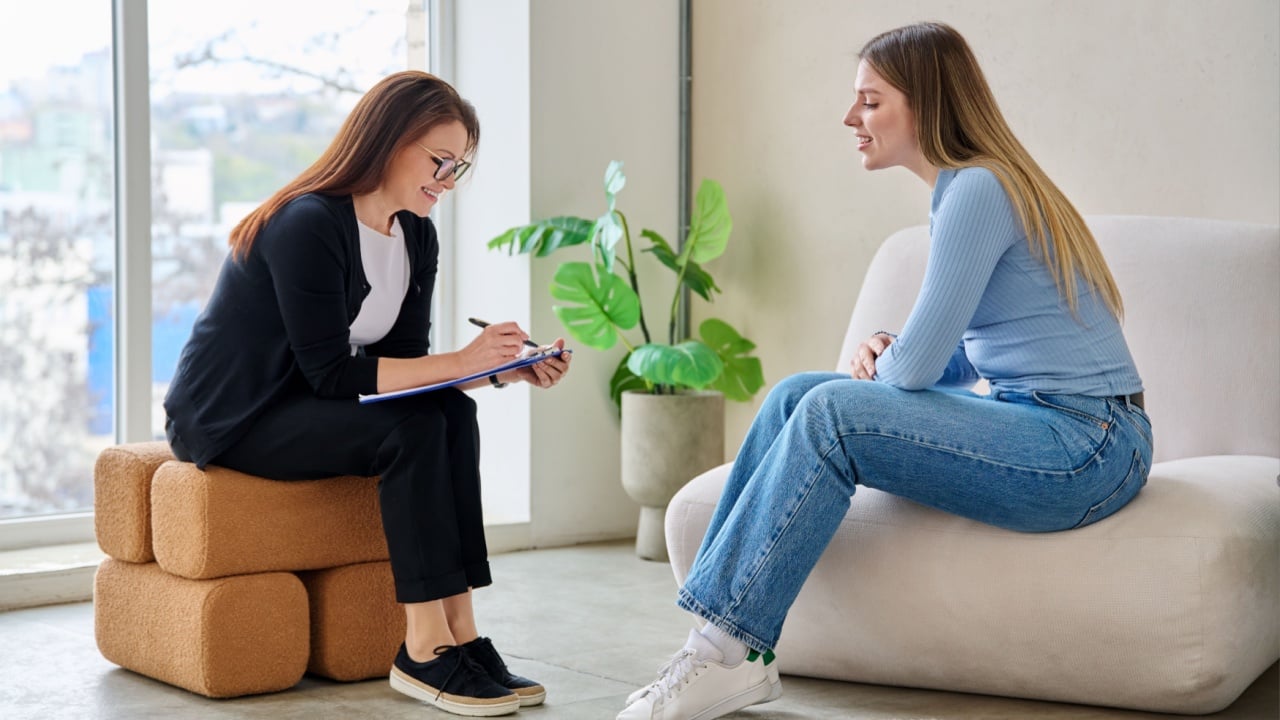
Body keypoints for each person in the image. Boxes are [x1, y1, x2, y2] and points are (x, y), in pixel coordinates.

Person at [617, 21, 1152, 720]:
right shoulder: (967, 189)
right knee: (795, 396)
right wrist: (892, 346)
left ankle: (725, 653)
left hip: (1090, 445)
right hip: (1056, 423)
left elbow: (921, 367)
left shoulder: (978, 191)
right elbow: (967, 358)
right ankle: (723, 645)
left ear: (925, 104)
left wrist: (899, 358)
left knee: (830, 413)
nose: (851, 117)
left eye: (870, 101)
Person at [163, 70, 572, 718]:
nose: (447, 181)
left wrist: (496, 372)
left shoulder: (416, 233)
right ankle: (423, 648)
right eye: (440, 160)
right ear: (388, 140)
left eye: (458, 168)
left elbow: (404, 365)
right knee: (411, 430)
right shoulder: (307, 223)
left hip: (312, 403)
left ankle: (463, 636)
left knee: (450, 411)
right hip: (239, 417)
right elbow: (330, 372)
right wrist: (463, 358)